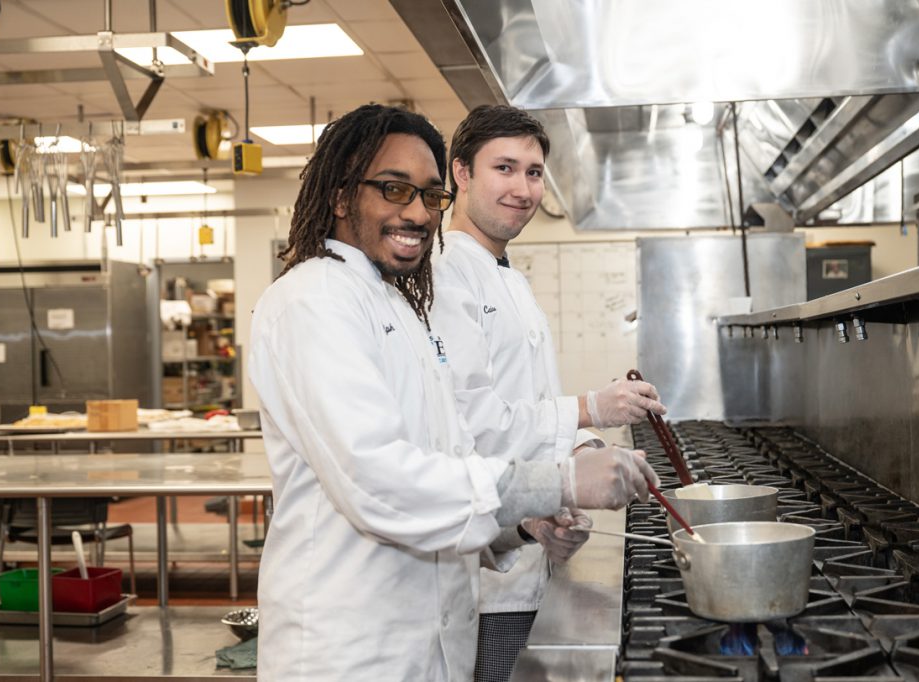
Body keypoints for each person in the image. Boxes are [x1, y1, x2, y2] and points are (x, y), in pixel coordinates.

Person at [247, 103, 661, 681]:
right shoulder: (314, 300)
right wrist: (560, 479)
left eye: (427, 196)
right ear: (341, 196)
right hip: (351, 648)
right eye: (394, 190)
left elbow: (452, 454)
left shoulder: (398, 303)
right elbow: (380, 482)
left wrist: (522, 524)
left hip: (431, 639)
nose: (417, 213)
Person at [431, 104, 668, 681]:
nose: (523, 188)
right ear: (461, 173)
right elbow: (470, 423)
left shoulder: (508, 274)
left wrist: (586, 449)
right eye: (504, 169)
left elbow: (536, 398)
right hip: (486, 580)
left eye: (534, 172)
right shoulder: (443, 272)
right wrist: (590, 408)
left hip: (531, 547)